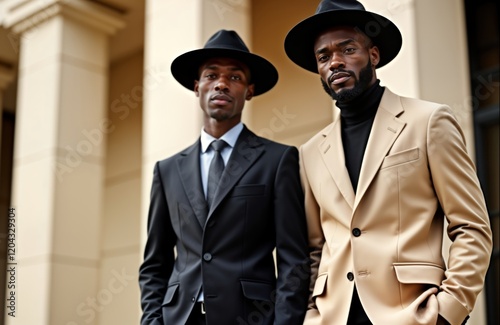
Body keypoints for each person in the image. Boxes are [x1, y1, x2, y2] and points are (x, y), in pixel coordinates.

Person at [283, 1, 493, 325]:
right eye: (324, 57)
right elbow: (314, 248)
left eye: (348, 49)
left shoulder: (429, 122)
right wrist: (312, 314)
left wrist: (448, 311)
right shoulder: (309, 152)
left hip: (411, 314)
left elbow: (471, 227)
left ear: (374, 55)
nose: (335, 62)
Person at [139, 29, 310, 325]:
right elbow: (156, 263)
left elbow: (293, 260)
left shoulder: (277, 160)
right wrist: (153, 321)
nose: (221, 84)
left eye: (235, 77)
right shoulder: (166, 171)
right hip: (180, 317)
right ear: (197, 87)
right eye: (211, 75)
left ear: (249, 90)